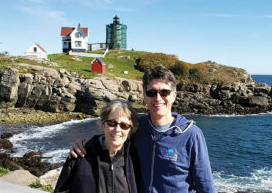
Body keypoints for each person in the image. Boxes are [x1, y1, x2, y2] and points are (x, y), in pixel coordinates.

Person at [70, 65, 215, 193]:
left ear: (174, 96)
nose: (158, 98)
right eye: (152, 93)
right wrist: (86, 143)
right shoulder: (136, 127)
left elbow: (205, 185)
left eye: (164, 92)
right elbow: (114, 137)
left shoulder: (191, 134)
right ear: (144, 96)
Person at [55, 99, 139, 193]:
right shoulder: (80, 154)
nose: (117, 129)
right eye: (112, 123)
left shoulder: (134, 158)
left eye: (124, 125)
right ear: (103, 125)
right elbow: (61, 190)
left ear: (130, 130)